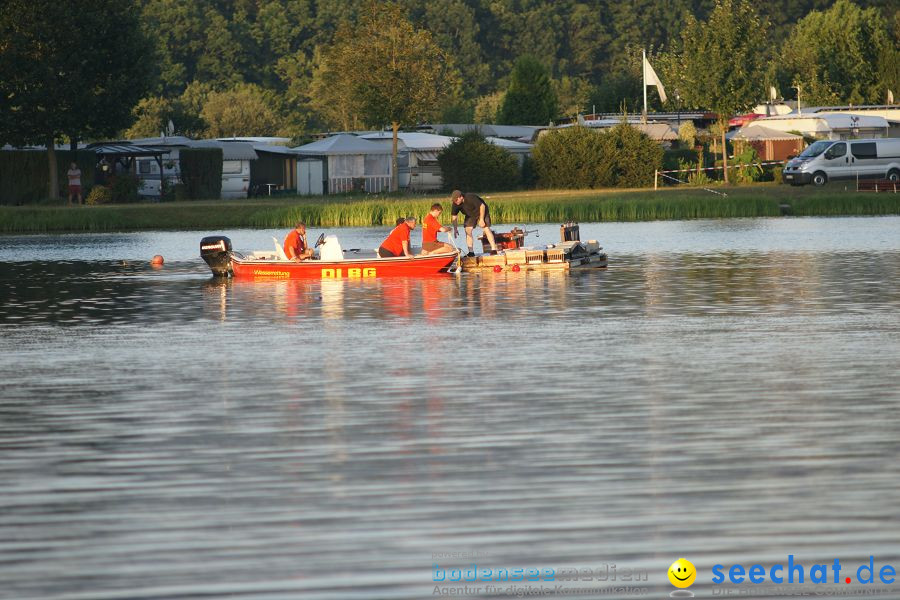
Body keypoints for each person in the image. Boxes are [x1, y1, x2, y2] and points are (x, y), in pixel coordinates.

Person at [450, 189, 498, 257]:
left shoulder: (470, 197)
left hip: (482, 211)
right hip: (470, 215)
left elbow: (482, 206)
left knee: (485, 228)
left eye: (456, 200)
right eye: (454, 200)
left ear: (461, 197)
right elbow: (454, 216)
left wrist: (481, 219)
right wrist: (455, 229)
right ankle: (471, 252)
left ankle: (493, 249)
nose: (455, 202)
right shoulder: (455, 204)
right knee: (467, 230)